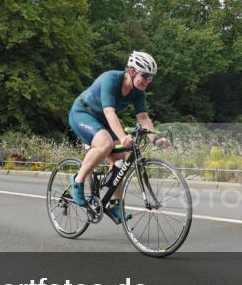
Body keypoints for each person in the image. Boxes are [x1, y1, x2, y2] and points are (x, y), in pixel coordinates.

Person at [66, 51, 169, 223]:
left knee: (120, 157)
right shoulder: (111, 79)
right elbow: (109, 111)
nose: (147, 81)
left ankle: (114, 204)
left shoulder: (139, 92)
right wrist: (122, 136)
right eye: (145, 76)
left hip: (103, 121)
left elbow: (143, 118)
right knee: (106, 143)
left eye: (151, 78)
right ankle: (77, 180)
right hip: (83, 113)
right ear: (132, 71)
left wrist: (155, 139)